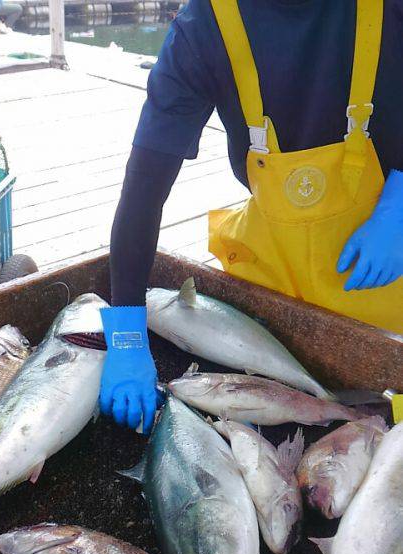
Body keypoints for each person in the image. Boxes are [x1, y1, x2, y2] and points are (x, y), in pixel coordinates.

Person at [100, 0, 403, 434]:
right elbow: (145, 186)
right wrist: (128, 332)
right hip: (275, 266)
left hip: (388, 266)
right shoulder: (205, 26)